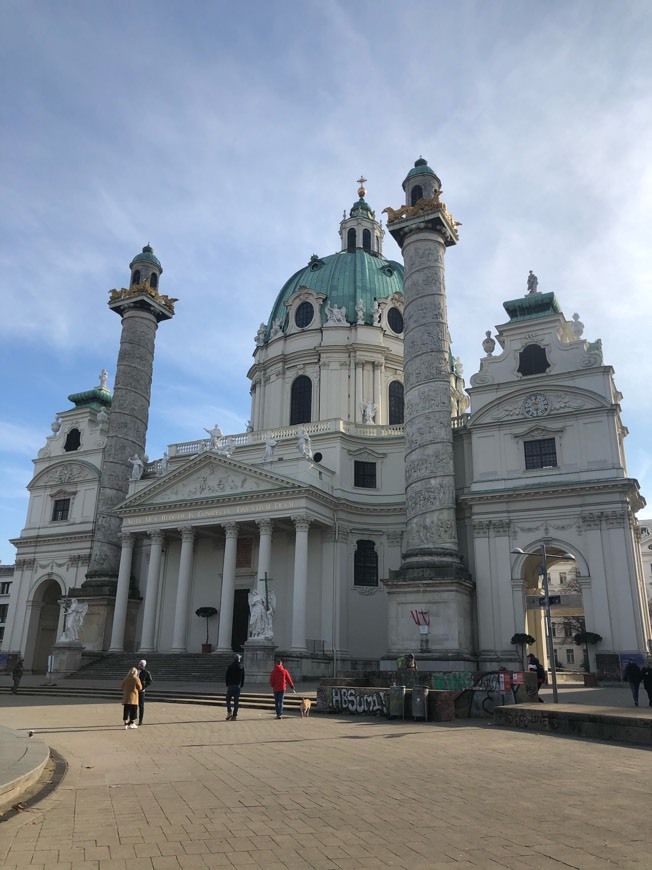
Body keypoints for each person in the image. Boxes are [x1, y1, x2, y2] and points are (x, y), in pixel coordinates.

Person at [225, 654, 245, 721]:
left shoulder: (230, 667)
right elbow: (243, 678)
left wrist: (227, 684)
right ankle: (234, 716)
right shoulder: (241, 667)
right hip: (238, 686)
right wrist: (241, 685)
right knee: (236, 701)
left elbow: (227, 676)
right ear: (239, 660)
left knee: (228, 699)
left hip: (231, 685)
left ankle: (229, 711)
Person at [136, 659, 152, 726]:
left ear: (144, 666)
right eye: (140, 664)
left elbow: (150, 681)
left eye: (142, 665)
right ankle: (132, 719)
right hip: (135, 690)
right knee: (134, 706)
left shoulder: (146, 672)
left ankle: (140, 720)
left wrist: (144, 686)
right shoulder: (135, 671)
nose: (140, 666)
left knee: (141, 706)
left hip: (142, 691)